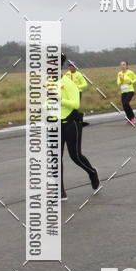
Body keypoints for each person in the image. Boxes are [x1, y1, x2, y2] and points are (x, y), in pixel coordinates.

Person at [59, 55, 100, 200]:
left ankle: (92, 173)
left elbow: (75, 104)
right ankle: (60, 191)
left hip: (71, 123)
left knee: (75, 156)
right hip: (55, 125)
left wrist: (59, 100)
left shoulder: (68, 82)